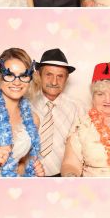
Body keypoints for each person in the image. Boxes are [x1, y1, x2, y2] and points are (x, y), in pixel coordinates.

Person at [0, 48, 44, 177]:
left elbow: (21, 163)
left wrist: (31, 169)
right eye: (9, 75)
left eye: (23, 75)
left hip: (11, 187)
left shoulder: (33, 120)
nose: (17, 82)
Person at [31, 48, 81, 177]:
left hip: (63, 176)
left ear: (66, 78)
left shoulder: (77, 108)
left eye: (60, 76)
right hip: (28, 174)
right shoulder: (27, 104)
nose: (54, 82)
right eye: (49, 75)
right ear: (39, 75)